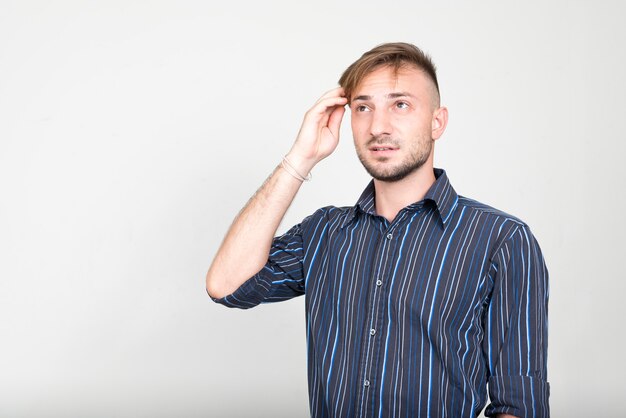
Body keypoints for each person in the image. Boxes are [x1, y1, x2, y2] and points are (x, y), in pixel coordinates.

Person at [206, 42, 549, 418]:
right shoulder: (323, 233)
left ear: (438, 122)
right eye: (363, 107)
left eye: (400, 104)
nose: (378, 126)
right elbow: (226, 285)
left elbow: (519, 405)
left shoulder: (502, 239)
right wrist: (301, 157)